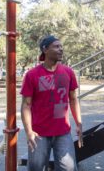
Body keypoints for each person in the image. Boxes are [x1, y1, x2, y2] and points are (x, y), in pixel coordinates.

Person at [21, 35, 82, 171]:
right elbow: (26, 105)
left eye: (61, 46)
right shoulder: (32, 75)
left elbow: (73, 99)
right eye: (56, 46)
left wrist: (79, 123)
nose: (61, 49)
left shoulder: (68, 72)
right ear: (45, 49)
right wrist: (29, 131)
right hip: (39, 133)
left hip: (63, 132)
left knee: (69, 168)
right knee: (36, 168)